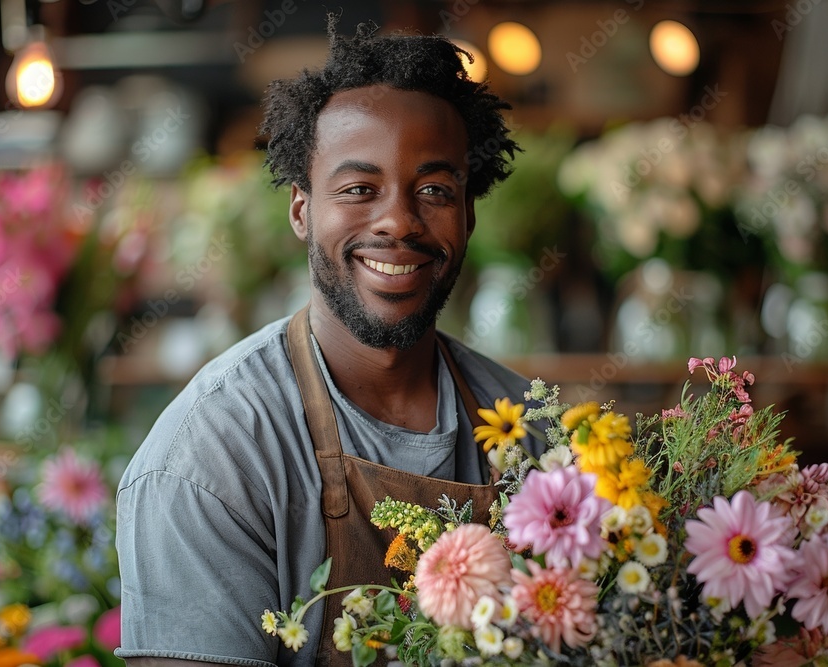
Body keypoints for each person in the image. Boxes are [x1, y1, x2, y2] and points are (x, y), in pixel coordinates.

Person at [115, 17, 544, 667]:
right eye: (358, 189)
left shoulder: (532, 431)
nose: (399, 220)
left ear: (469, 214)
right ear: (301, 210)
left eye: (434, 189)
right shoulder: (208, 459)